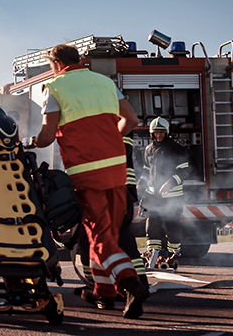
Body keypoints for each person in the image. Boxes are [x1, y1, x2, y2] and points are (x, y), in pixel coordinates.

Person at [28, 44, 149, 319]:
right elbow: (130, 119)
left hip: (87, 173)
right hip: (117, 170)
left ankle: (130, 284)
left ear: (56, 64)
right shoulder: (105, 82)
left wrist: (29, 142)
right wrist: (109, 141)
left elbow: (46, 136)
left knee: (99, 238)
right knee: (107, 235)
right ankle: (103, 295)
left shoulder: (55, 87)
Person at [76, 135, 149, 309]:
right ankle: (114, 290)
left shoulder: (101, 124)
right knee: (120, 239)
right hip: (122, 190)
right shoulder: (119, 120)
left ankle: (127, 286)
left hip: (104, 189)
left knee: (97, 240)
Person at [138, 116, 190, 269]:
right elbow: (146, 171)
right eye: (156, 133)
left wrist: (170, 183)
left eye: (161, 132)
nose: (158, 135)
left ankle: (173, 256)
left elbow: (184, 171)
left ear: (166, 132)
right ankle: (153, 254)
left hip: (172, 197)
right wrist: (141, 183)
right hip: (154, 197)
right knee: (152, 225)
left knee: (171, 226)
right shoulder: (148, 150)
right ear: (151, 133)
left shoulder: (176, 149)